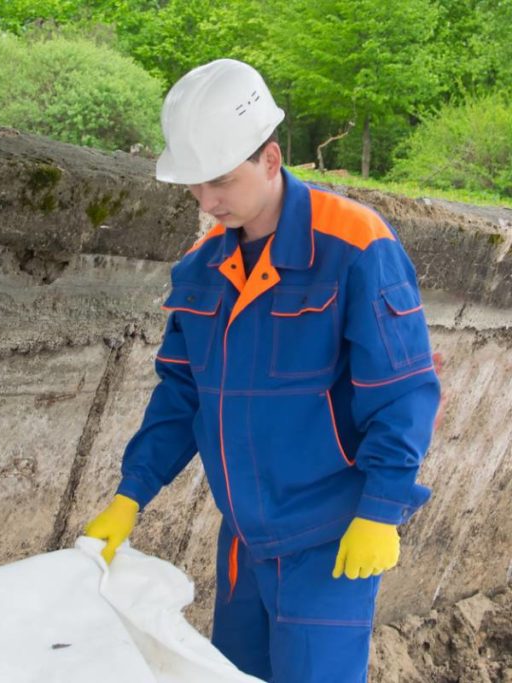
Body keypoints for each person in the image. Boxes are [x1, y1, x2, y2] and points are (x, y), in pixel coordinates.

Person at [84, 58, 440, 682]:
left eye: (220, 180)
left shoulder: (355, 245)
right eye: (194, 185)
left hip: (330, 542)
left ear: (270, 159)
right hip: (244, 544)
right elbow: (180, 396)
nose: (207, 200)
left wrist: (381, 510)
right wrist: (130, 494)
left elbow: (403, 391)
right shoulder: (199, 268)